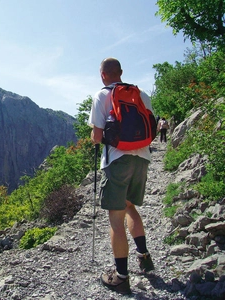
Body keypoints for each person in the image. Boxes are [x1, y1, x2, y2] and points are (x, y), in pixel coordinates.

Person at [88, 58, 155, 295]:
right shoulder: (141, 94)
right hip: (143, 158)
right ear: (121, 73)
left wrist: (98, 137)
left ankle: (121, 277)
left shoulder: (102, 95)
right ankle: (144, 256)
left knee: (116, 218)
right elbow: (152, 126)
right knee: (130, 207)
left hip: (118, 160)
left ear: (103, 75)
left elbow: (97, 136)